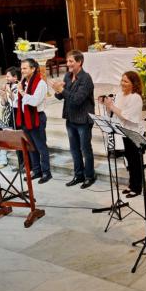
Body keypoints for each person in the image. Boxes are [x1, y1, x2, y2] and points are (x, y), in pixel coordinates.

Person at [50, 50, 96, 188]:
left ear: (79, 62)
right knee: (74, 149)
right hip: (70, 119)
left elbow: (77, 99)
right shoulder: (68, 76)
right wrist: (57, 89)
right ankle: (78, 175)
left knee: (85, 149)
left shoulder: (86, 78)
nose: (67, 63)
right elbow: (60, 96)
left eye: (71, 61)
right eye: (67, 60)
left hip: (83, 119)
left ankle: (89, 176)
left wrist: (62, 90)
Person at [102, 71, 146, 198]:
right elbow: (114, 112)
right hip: (123, 132)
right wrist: (107, 104)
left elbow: (128, 116)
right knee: (129, 161)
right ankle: (131, 184)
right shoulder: (120, 94)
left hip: (134, 133)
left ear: (134, 84)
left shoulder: (135, 97)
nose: (122, 83)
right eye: (122, 80)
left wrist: (112, 106)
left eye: (126, 81)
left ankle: (137, 188)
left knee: (136, 162)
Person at [17, 58, 52, 184]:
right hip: (26, 119)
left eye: (25, 68)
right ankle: (36, 170)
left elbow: (34, 101)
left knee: (41, 146)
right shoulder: (24, 83)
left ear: (33, 69)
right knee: (31, 146)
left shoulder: (40, 83)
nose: (22, 71)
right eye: (21, 68)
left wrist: (21, 91)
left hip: (37, 117)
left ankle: (46, 172)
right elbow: (20, 102)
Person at [0, 66, 24, 170]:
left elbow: (16, 102)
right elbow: (5, 104)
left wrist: (9, 92)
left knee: (21, 139)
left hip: (19, 113)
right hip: (11, 114)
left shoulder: (20, 86)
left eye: (8, 76)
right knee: (16, 140)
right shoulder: (10, 86)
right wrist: (3, 96)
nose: (6, 78)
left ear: (15, 77)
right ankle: (20, 162)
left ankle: (26, 164)